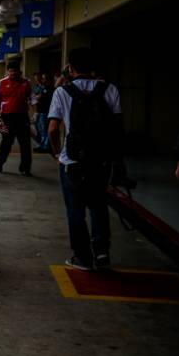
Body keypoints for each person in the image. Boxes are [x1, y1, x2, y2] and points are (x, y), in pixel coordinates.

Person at [47, 48, 123, 271]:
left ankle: (82, 257)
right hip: (100, 161)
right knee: (99, 207)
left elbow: (52, 129)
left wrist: (57, 152)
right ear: (93, 68)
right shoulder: (110, 90)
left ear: (70, 68)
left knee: (75, 211)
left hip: (72, 161)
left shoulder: (62, 92)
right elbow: (118, 129)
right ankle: (101, 253)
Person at [0, 59, 33, 175]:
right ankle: (0, 162)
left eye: (15, 71)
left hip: (22, 117)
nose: (12, 74)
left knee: (25, 144)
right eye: (10, 71)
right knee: (6, 143)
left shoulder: (26, 83)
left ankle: (25, 167)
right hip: (7, 118)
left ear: (20, 71)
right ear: (7, 72)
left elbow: (32, 99)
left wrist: (35, 114)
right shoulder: (2, 83)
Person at [33, 73, 54, 153]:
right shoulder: (38, 87)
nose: (42, 80)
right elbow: (33, 97)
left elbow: (38, 97)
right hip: (39, 110)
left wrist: (36, 97)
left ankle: (45, 146)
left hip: (45, 111)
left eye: (43, 78)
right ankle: (41, 145)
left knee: (44, 129)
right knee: (39, 130)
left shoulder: (48, 88)